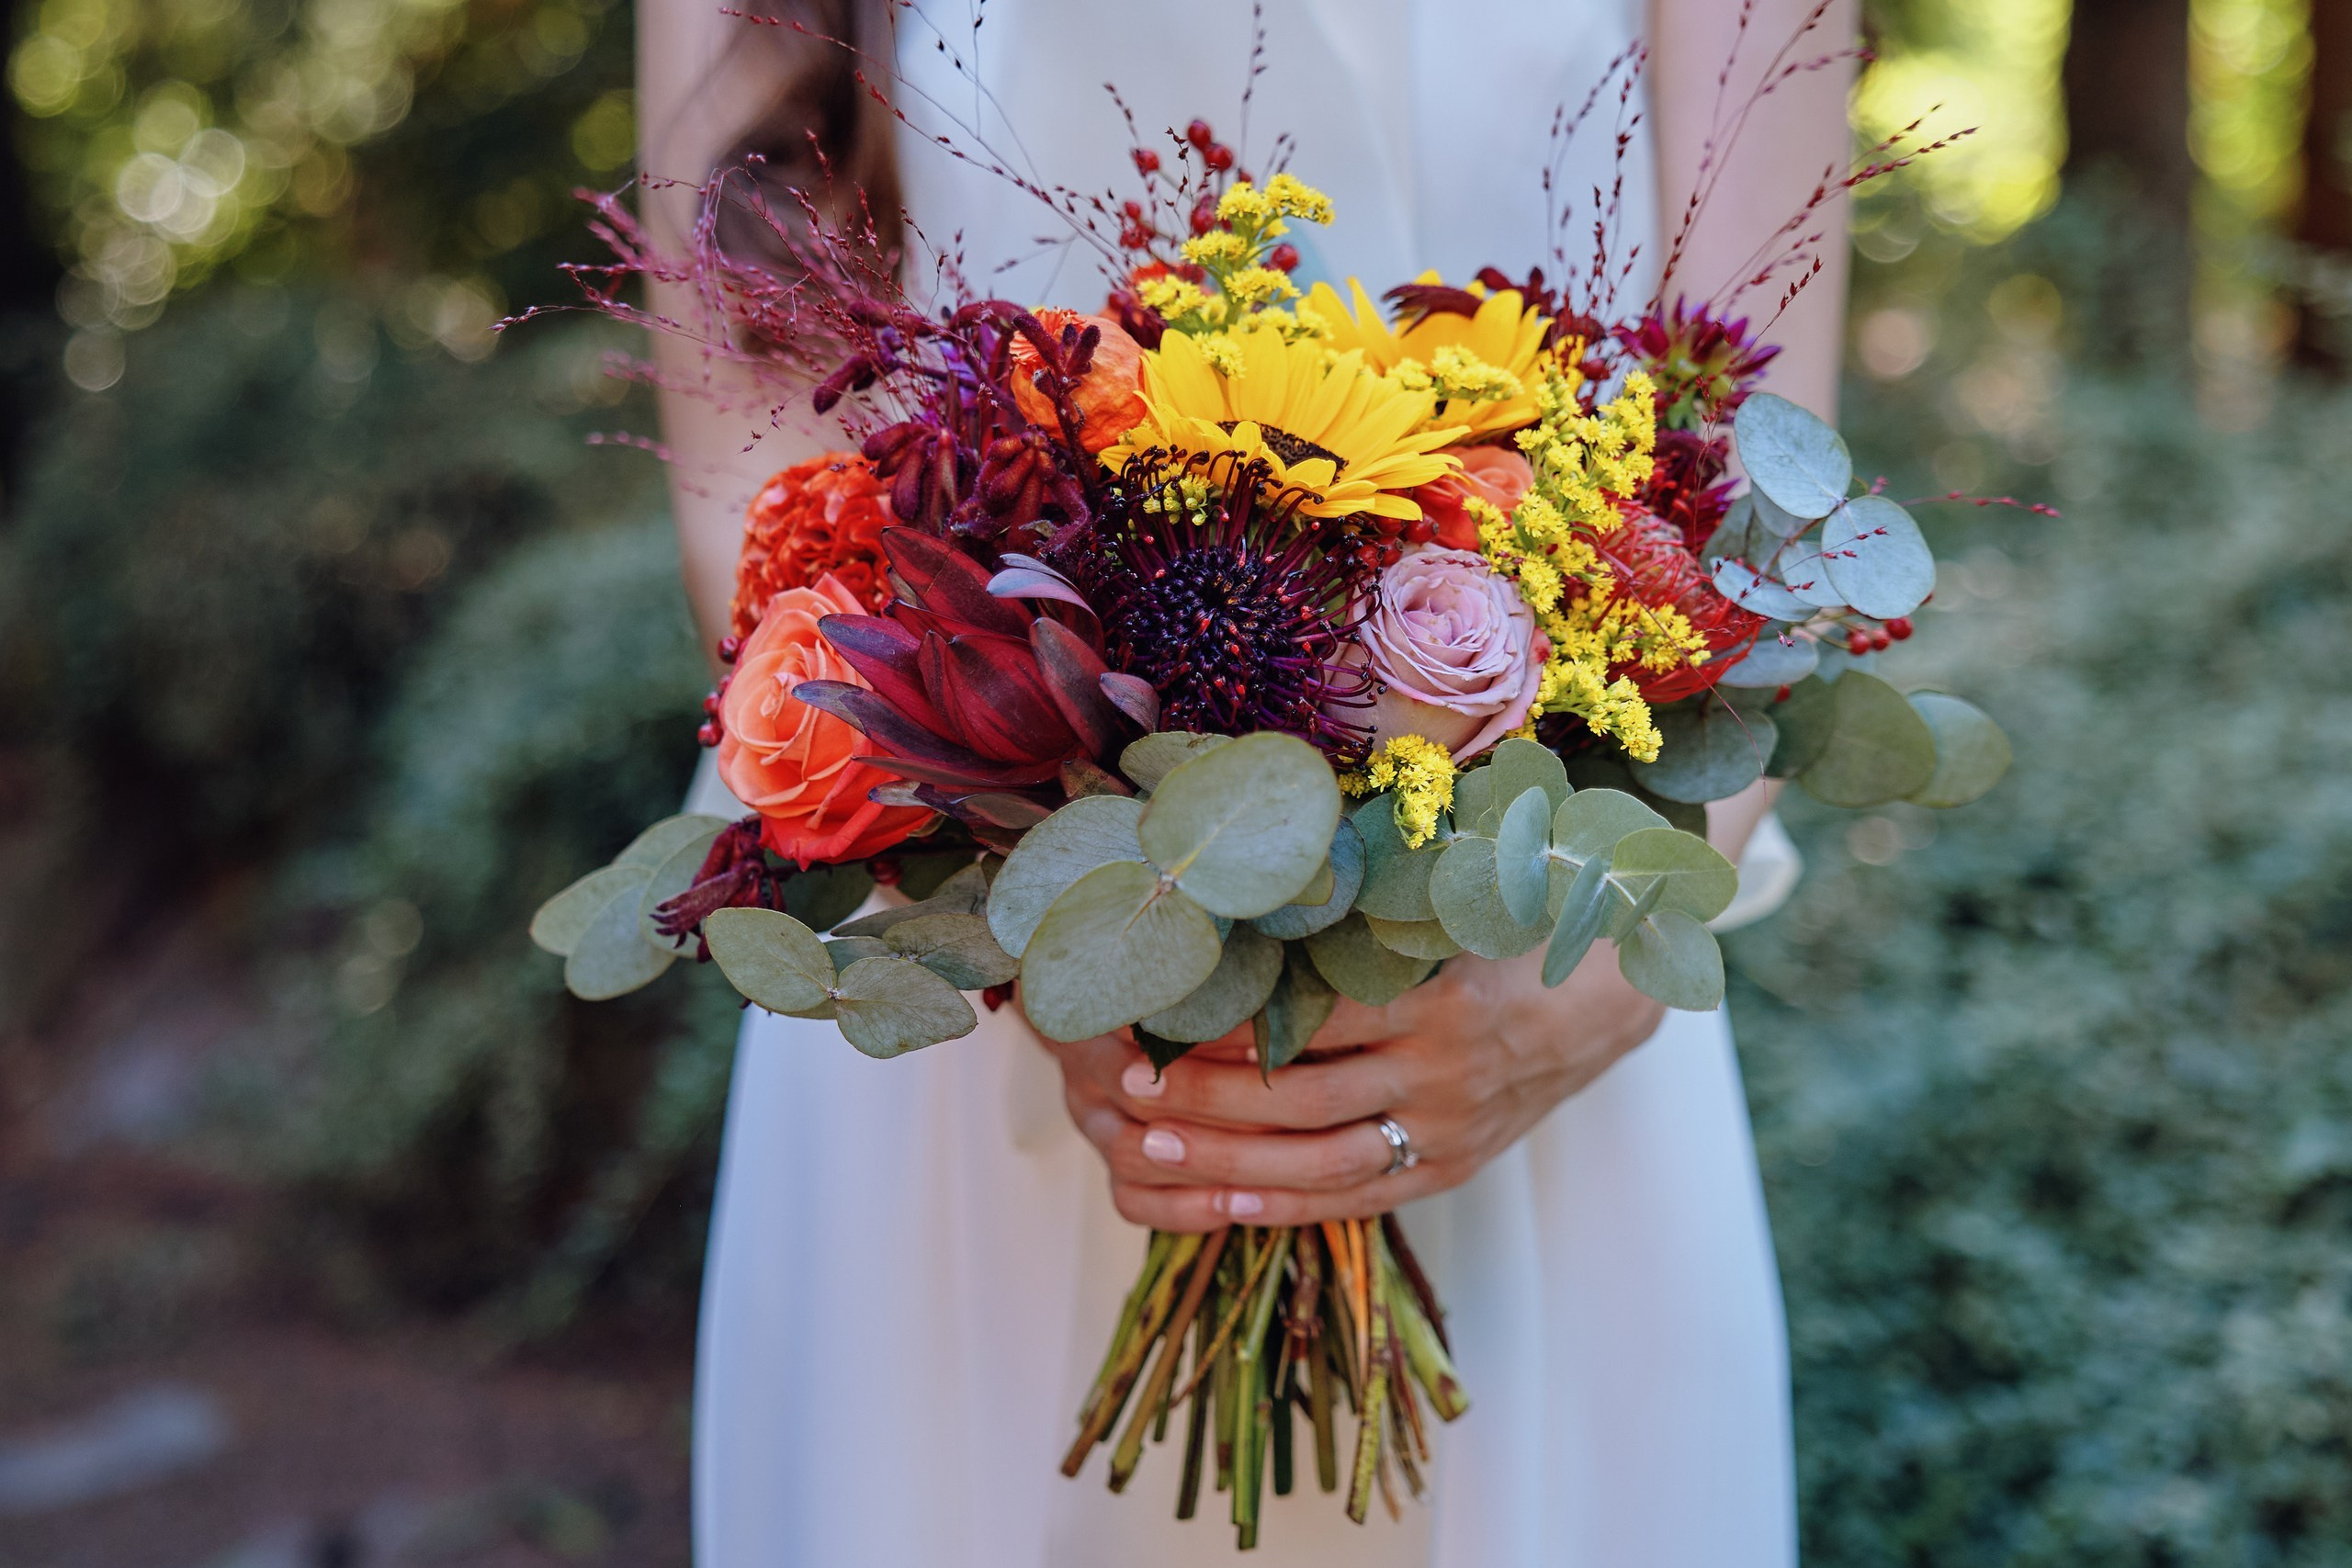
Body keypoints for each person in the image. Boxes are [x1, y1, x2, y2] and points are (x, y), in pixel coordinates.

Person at [639, 1, 1853, 1561]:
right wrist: (1054, 931)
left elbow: (1757, 510)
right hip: (970, 988)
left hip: (1532, 956)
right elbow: (745, 478)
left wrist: (1581, 997)